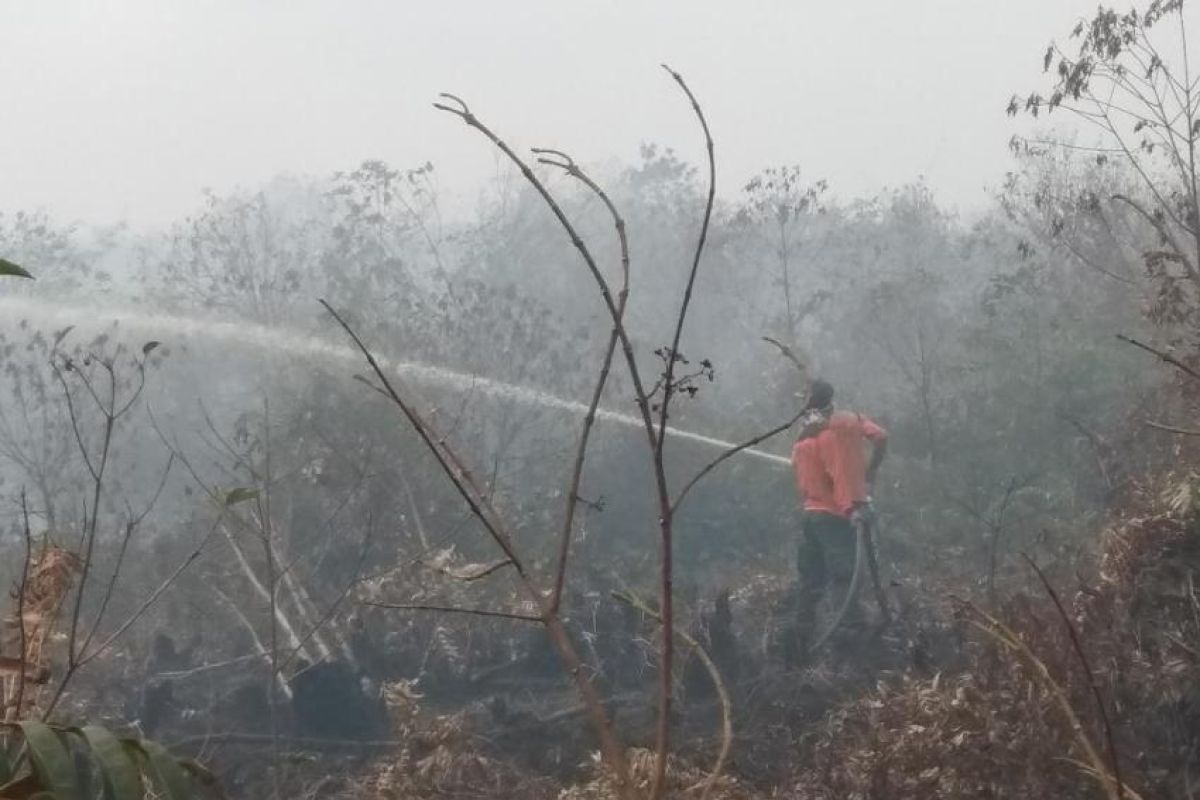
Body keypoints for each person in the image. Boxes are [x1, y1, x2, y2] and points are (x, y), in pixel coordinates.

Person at [790, 379, 888, 655]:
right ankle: (849, 634)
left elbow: (833, 470)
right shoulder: (847, 423)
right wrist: (867, 479)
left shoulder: (807, 433)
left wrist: (853, 499)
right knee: (842, 573)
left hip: (814, 514)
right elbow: (879, 438)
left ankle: (801, 640)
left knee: (811, 578)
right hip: (831, 515)